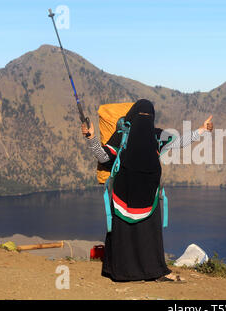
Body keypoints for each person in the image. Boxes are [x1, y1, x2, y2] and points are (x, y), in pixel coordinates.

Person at [82, 99, 213, 282]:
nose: (144, 119)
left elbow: (179, 142)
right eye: (141, 115)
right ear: (133, 116)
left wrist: (201, 130)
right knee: (140, 236)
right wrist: (91, 139)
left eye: (148, 116)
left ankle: (149, 271)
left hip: (146, 194)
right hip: (124, 194)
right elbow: (104, 157)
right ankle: (124, 273)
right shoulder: (122, 135)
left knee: (144, 236)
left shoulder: (156, 136)